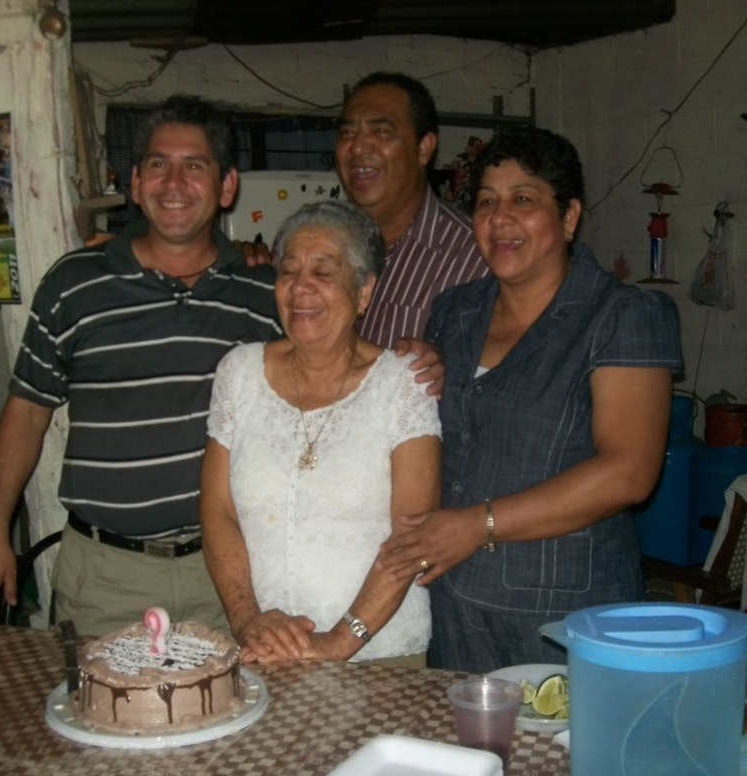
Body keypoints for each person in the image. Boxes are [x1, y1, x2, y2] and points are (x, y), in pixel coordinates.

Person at [0, 95, 281, 636]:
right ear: (135, 183)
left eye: (195, 165)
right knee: (91, 696)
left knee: (232, 696)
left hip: (228, 577)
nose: (174, 182)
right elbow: (27, 413)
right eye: (158, 164)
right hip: (104, 580)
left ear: (227, 186)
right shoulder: (74, 283)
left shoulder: (266, 295)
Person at [378, 127, 684, 672]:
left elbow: (629, 472)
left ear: (569, 217)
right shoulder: (454, 311)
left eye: (523, 199)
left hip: (560, 617)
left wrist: (475, 525)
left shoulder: (622, 315)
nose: (500, 219)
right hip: (452, 606)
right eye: (486, 202)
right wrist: (419, 367)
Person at [200, 200, 441, 665]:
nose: (300, 288)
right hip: (263, 650)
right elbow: (218, 510)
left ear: (364, 291)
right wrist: (248, 620)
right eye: (288, 271)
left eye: (323, 273)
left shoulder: (403, 384)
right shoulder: (239, 372)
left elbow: (411, 536)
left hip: (378, 655)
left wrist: (338, 643)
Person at [241, 72, 487, 349]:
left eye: (381, 131)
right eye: (347, 133)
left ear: (423, 149)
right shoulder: (300, 244)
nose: (357, 147)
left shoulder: (474, 258)